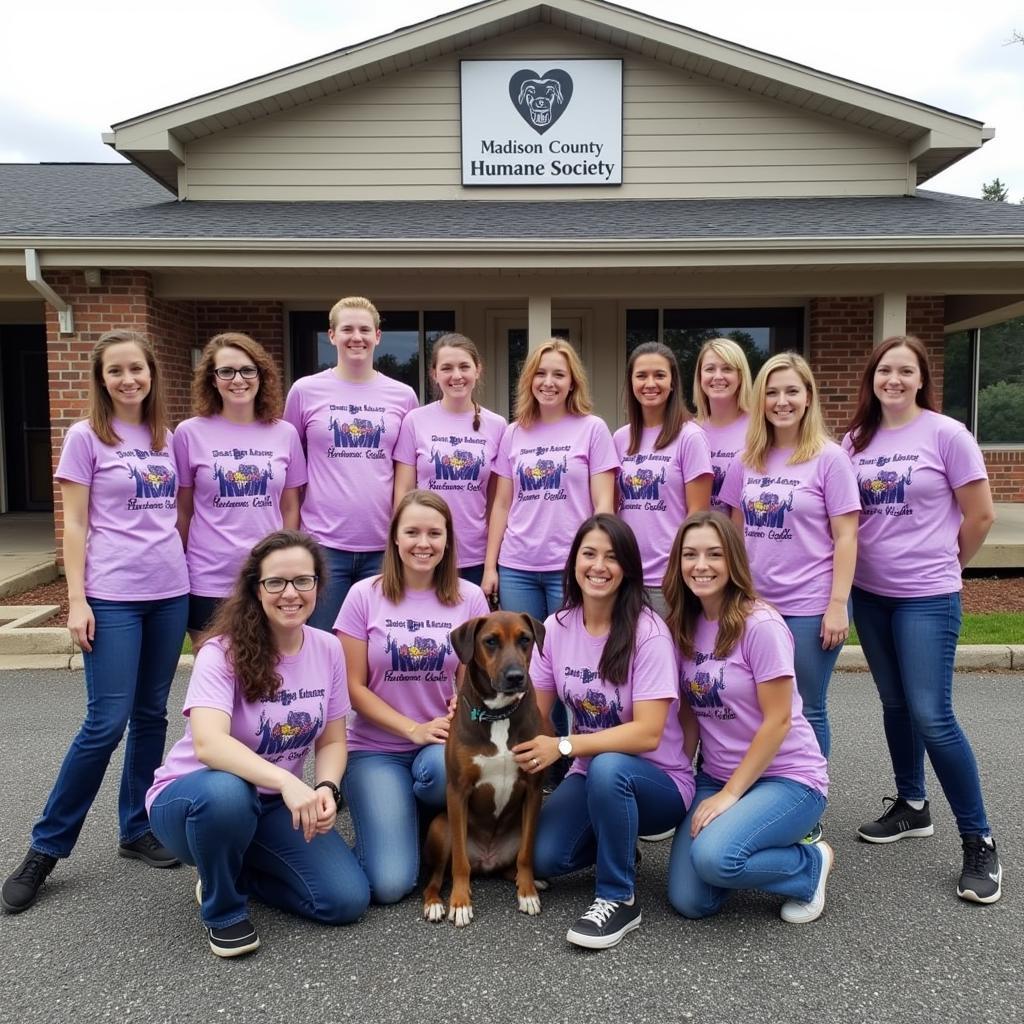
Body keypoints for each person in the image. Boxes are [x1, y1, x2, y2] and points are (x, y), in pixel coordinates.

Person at [2, 331, 188, 915]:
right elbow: (76, 525)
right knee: (105, 723)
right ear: (101, 379)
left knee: (152, 714)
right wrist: (77, 600)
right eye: (116, 371)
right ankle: (45, 847)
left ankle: (136, 828)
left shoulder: (168, 437)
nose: (129, 379)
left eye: (137, 368)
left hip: (170, 592)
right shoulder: (86, 437)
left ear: (152, 374)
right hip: (112, 596)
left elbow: (178, 512)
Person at [147, 530, 370, 957]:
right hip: (195, 798)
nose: (291, 593)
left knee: (345, 899)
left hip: (271, 805)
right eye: (276, 582)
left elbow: (333, 740)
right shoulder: (221, 653)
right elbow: (210, 745)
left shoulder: (327, 649)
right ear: (256, 588)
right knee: (228, 792)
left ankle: (233, 870)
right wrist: (287, 783)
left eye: (303, 581)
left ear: (318, 586)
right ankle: (224, 909)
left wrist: (325, 787)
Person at [843, 335, 1001, 903]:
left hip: (927, 596)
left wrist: (947, 563)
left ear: (920, 379)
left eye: (905, 371)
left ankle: (978, 839)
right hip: (870, 594)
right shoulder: (856, 440)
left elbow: (981, 514)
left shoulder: (946, 434)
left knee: (933, 715)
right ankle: (912, 804)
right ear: (873, 377)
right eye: (885, 369)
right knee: (894, 703)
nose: (893, 380)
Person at [511, 515, 693, 949]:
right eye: (589, 554)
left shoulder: (648, 633)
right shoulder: (556, 627)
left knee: (610, 768)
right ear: (574, 562)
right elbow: (534, 712)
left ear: (628, 568)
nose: (599, 566)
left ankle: (618, 897)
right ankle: (618, 842)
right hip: (591, 775)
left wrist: (566, 745)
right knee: (542, 858)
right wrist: (476, 709)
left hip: (658, 781)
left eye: (612, 557)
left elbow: (648, 734)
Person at [664, 511, 832, 924]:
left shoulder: (760, 625)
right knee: (691, 901)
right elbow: (689, 717)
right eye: (690, 555)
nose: (700, 565)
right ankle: (734, 855)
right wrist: (680, 779)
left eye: (714, 554)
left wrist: (730, 796)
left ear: (733, 561)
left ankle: (808, 866)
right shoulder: (682, 625)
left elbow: (778, 722)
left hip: (786, 778)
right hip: (716, 775)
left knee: (715, 858)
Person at [335, 490, 489, 905]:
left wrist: (465, 705)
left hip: (439, 746)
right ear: (395, 539)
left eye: (435, 533)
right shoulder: (363, 595)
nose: (424, 543)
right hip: (375, 749)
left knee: (439, 774)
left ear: (448, 540)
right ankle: (394, 827)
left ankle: (418, 821)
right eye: (413, 532)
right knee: (390, 885)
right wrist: (412, 729)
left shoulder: (469, 597)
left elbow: (470, 681)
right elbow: (352, 687)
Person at [718, 353, 859, 770]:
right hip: (755, 605)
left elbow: (847, 535)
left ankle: (808, 793)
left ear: (808, 397)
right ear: (760, 400)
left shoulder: (829, 458)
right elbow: (735, 535)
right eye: (773, 392)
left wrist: (837, 604)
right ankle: (765, 783)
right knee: (756, 701)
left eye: (792, 391)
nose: (782, 401)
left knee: (806, 706)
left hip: (811, 606)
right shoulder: (746, 460)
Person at [284, 296, 418, 631]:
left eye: (364, 329)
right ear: (331, 335)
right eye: (347, 329)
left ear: (377, 336)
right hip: (322, 544)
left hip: (383, 546)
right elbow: (290, 465)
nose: (355, 337)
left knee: (376, 644)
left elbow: (405, 476)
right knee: (318, 640)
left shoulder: (403, 396)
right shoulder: (304, 391)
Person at [174, 332, 306, 638]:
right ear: (212, 379)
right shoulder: (188, 434)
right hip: (208, 576)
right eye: (226, 371)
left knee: (269, 670)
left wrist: (285, 563)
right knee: (213, 670)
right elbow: (183, 509)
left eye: (248, 370)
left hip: (268, 577)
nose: (238, 380)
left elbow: (290, 506)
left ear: (262, 375)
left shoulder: (284, 434)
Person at [483, 338, 618, 620]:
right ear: (529, 380)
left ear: (572, 383)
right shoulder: (513, 432)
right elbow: (502, 504)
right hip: (517, 568)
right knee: (524, 657)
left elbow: (604, 503)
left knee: (571, 648)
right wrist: (490, 567)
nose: (548, 382)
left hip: (571, 565)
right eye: (541, 374)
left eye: (559, 374)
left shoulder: (593, 429)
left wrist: (596, 558)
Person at [394, 334, 506, 586]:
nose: (456, 375)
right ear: (434, 374)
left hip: (475, 557)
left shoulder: (498, 426)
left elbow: (496, 500)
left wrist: (491, 562)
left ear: (478, 370)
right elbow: (403, 491)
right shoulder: (415, 421)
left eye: (464, 367)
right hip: (425, 553)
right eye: (446, 368)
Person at [615, 342, 712, 616]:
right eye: (641, 375)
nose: (650, 383)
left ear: (672, 383)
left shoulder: (690, 437)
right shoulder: (620, 438)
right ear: (631, 382)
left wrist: (682, 569)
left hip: (668, 580)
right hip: (626, 576)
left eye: (659, 375)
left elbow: (698, 515)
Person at [692, 338, 753, 512]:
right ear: (700, 376)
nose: (718, 376)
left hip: (743, 536)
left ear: (741, 377)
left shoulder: (760, 428)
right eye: (710, 369)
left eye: (727, 369)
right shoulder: (689, 431)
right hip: (698, 535)